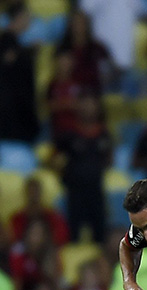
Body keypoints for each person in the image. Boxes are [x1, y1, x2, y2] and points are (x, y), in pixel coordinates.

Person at [53, 91, 113, 243]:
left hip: (96, 190)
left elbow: (109, 159)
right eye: (84, 103)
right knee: (73, 235)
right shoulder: (69, 133)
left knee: (99, 235)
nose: (88, 108)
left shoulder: (104, 134)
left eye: (92, 104)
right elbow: (52, 157)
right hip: (75, 192)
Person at [0, 2, 39, 143]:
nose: (29, 20)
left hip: (19, 109)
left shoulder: (14, 42)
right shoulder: (7, 40)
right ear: (19, 17)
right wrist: (27, 53)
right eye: (27, 16)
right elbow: (9, 61)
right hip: (13, 112)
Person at [9, 177, 70, 246]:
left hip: (48, 250)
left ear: (41, 193)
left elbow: (62, 236)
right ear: (25, 193)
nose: (33, 195)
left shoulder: (52, 216)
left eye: (36, 191)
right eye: (30, 191)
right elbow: (14, 239)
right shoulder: (17, 218)